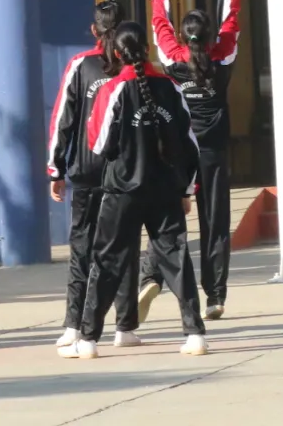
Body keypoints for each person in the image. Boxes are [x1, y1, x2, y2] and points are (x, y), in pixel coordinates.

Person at [60, 21, 206, 360]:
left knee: (107, 262)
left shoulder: (114, 89)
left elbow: (98, 143)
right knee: (176, 260)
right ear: (147, 49)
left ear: (117, 52)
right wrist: (186, 190)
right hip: (165, 190)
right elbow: (190, 145)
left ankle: (88, 339)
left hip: (122, 190)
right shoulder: (172, 88)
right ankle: (195, 334)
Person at [136, 0, 242, 322]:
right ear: (211, 37)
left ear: (183, 36)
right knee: (216, 222)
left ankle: (151, 276)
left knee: (168, 216)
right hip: (213, 151)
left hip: (180, 152)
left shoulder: (171, 56)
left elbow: (160, 23)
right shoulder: (223, 54)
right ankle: (215, 296)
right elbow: (231, 21)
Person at [47, 2, 141, 349]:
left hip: (86, 170)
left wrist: (56, 169)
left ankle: (74, 325)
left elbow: (63, 120)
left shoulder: (80, 65)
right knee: (124, 246)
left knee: (82, 247)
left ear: (93, 30)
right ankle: (125, 327)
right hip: (124, 172)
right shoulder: (134, 66)